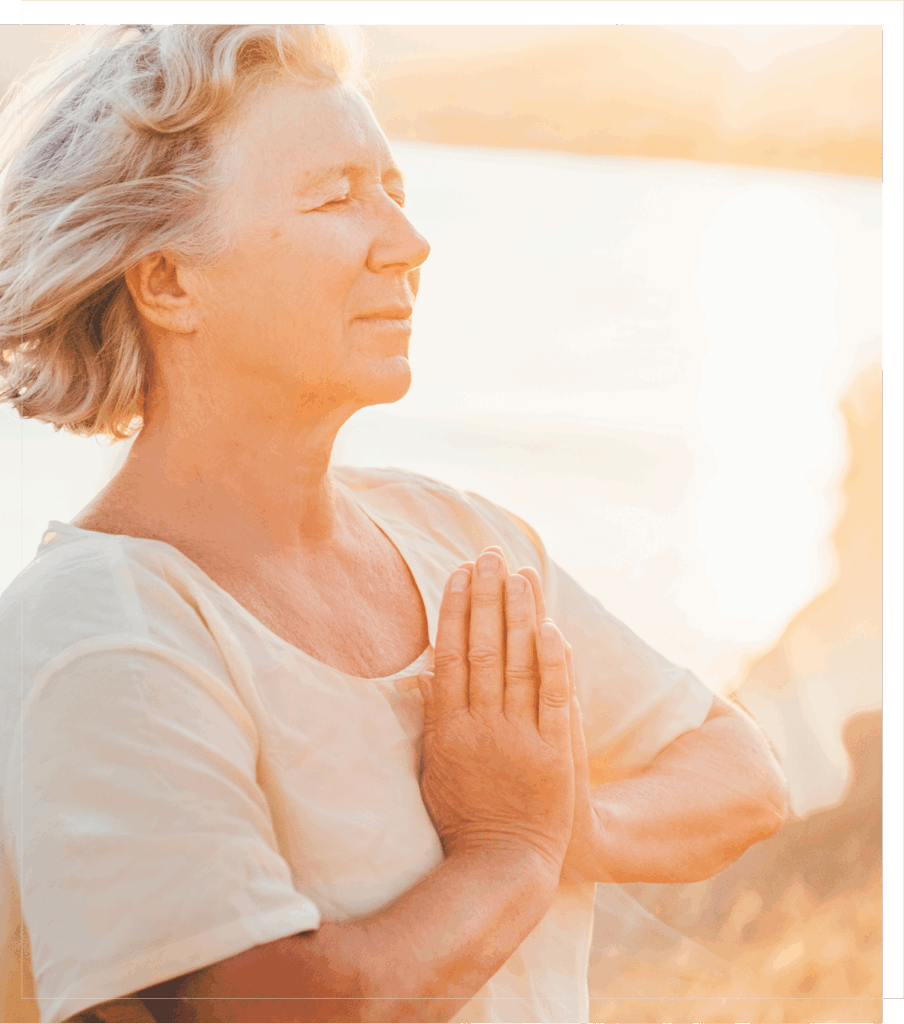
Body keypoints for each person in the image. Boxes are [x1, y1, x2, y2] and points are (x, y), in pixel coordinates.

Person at [0, 24, 789, 1024]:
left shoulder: (455, 538)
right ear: (166, 281)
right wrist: (509, 851)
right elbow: (281, 1008)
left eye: (396, 192)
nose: (408, 245)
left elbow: (742, 774)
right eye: (336, 197)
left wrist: (572, 819)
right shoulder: (100, 631)